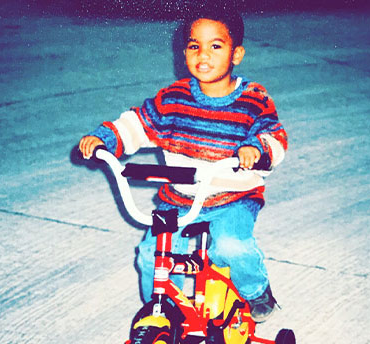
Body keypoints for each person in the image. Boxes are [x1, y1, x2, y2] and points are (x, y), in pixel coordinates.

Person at [79, 6, 288, 322]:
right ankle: (166, 316)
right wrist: (105, 139)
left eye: (215, 46)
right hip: (178, 200)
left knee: (229, 247)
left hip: (232, 199)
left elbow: (273, 134)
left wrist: (256, 150)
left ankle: (256, 291)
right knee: (151, 255)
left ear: (237, 54)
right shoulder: (173, 98)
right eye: (195, 46)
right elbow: (139, 123)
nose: (203, 55)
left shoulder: (252, 99)